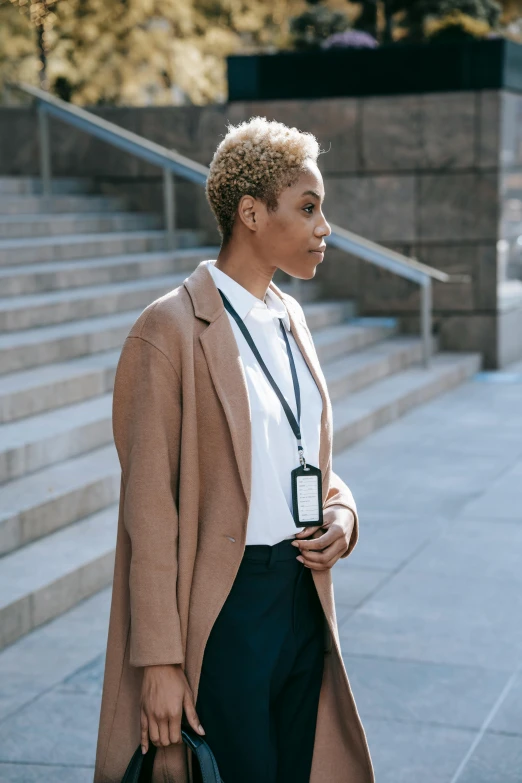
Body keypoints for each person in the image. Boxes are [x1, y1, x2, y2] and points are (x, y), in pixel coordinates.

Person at [93, 117, 374, 783]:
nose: (324, 227)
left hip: (303, 597)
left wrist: (343, 514)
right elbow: (149, 515)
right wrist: (159, 662)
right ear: (251, 212)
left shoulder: (290, 317)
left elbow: (306, 454)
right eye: (308, 207)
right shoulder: (168, 329)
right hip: (227, 611)